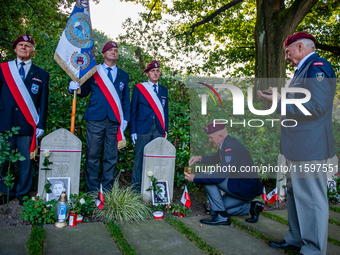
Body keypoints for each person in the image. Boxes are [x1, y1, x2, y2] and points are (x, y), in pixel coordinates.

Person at [257, 32, 336, 255]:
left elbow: (316, 106)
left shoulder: (316, 67)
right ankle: (296, 239)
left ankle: (313, 249)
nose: (286, 56)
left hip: (310, 146)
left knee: (311, 198)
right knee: (295, 195)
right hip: (299, 145)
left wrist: (280, 101)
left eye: (288, 51)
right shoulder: (303, 69)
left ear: (300, 46)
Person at [68, 41, 130, 193]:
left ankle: (106, 191)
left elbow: (125, 100)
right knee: (92, 156)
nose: (113, 52)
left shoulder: (123, 75)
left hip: (115, 121)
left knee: (111, 157)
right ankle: (92, 191)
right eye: (110, 50)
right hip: (95, 119)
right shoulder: (94, 71)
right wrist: (74, 88)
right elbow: (85, 91)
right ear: (103, 54)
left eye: (116, 50)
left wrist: (126, 119)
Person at [0, 34, 49, 205]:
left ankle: (22, 192)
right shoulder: (3, 69)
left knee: (25, 160)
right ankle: (4, 191)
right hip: (4, 121)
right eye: (20, 44)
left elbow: (43, 101)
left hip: (28, 123)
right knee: (4, 159)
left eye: (27, 45)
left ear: (33, 52)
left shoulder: (42, 74)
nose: (23, 47)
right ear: (14, 48)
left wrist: (41, 124)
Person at [185, 122, 263, 226]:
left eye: (211, 137)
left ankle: (222, 217)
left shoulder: (230, 147)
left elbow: (218, 177)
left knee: (209, 177)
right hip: (244, 187)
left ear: (220, 136)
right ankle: (252, 207)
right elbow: (217, 158)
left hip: (245, 188)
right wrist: (199, 158)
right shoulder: (228, 143)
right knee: (214, 211)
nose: (209, 140)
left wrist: (195, 178)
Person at [130, 60, 169, 192]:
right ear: (147, 73)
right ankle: (136, 187)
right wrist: (133, 131)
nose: (155, 73)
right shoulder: (139, 88)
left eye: (158, 71)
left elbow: (165, 112)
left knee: (157, 158)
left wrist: (165, 130)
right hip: (142, 128)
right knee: (140, 158)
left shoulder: (164, 90)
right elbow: (133, 111)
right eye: (153, 71)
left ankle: (155, 187)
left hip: (158, 128)